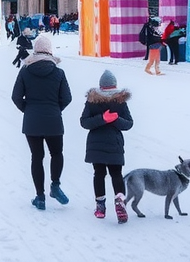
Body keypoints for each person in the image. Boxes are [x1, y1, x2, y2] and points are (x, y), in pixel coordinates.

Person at [11, 34, 72, 210]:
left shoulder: (25, 70)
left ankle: (40, 197)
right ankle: (55, 184)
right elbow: (67, 98)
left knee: (37, 158)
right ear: (50, 51)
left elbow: (16, 97)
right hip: (54, 120)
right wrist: (55, 109)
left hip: (32, 121)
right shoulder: (59, 72)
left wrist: (28, 110)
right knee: (57, 154)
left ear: (35, 50)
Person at [80, 70, 133, 223]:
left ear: (101, 86)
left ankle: (100, 207)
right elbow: (129, 124)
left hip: (95, 144)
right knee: (116, 174)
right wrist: (113, 119)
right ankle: (120, 201)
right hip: (114, 144)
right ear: (115, 85)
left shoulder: (92, 100)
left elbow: (84, 122)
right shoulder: (120, 101)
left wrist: (102, 119)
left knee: (99, 174)